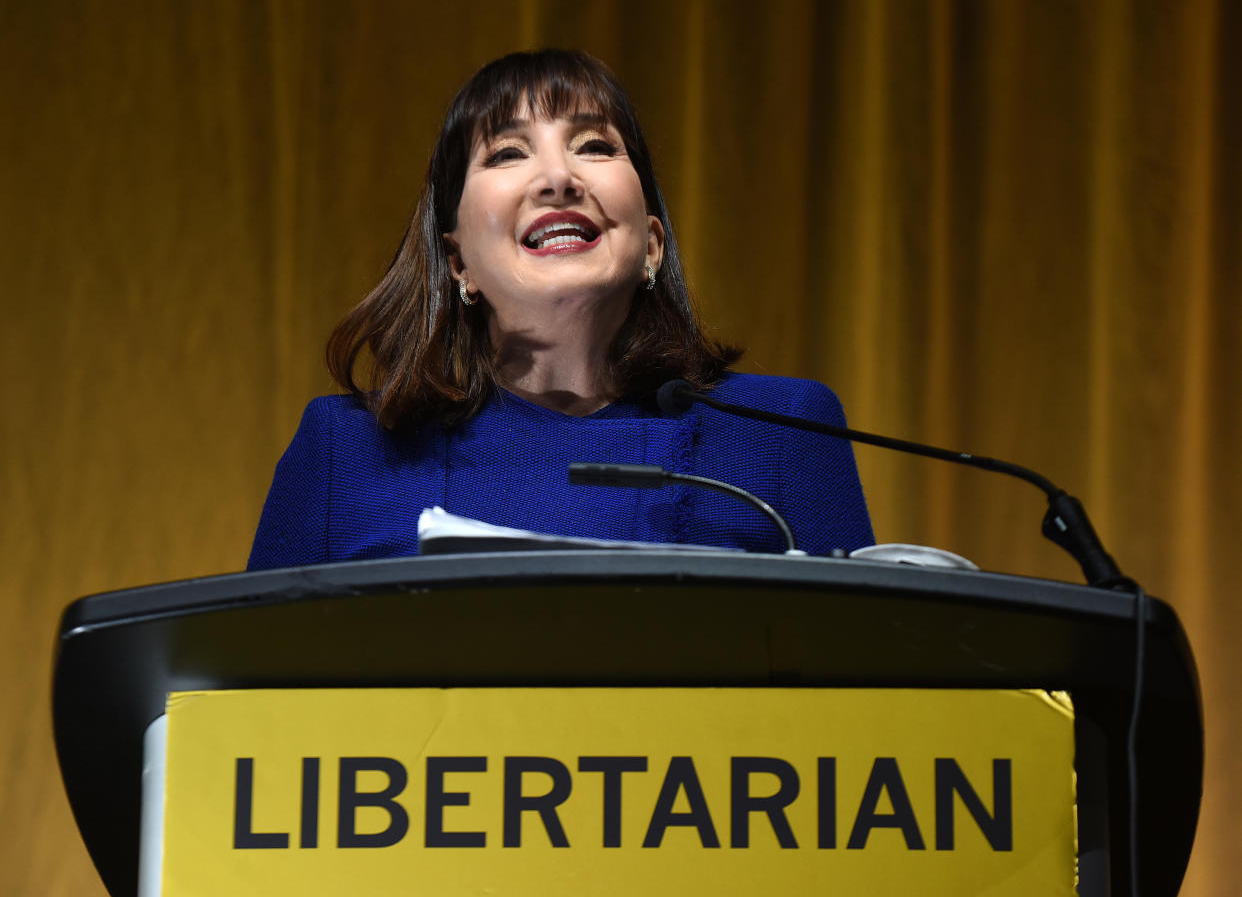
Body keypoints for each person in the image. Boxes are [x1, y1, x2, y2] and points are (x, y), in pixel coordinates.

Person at [247, 49, 873, 570]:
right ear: (457, 260)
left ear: (651, 244)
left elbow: (868, 694)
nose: (559, 177)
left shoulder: (783, 435)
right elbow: (246, 704)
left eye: (595, 145)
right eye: (508, 153)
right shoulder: (341, 454)